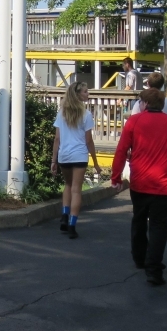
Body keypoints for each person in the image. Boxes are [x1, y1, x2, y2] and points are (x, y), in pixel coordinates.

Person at [112, 88, 167, 286]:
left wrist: (116, 177)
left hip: (140, 181)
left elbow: (121, 150)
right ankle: (154, 268)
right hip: (163, 183)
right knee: (159, 225)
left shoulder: (134, 122)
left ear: (144, 104)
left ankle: (139, 257)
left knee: (138, 219)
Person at [51, 81, 102, 239]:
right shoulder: (86, 115)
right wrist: (95, 162)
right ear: (78, 94)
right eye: (85, 92)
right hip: (79, 155)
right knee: (76, 189)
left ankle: (64, 215)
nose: (88, 94)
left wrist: (53, 160)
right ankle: (72, 225)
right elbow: (89, 141)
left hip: (64, 155)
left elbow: (57, 139)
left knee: (67, 184)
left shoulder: (61, 113)